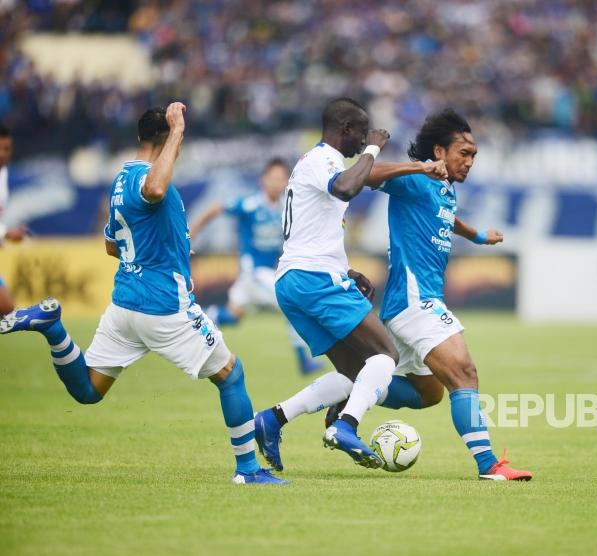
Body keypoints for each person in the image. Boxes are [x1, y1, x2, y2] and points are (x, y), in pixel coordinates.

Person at [0, 104, 284, 485]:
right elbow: (155, 188)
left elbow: (110, 246)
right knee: (232, 376)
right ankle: (248, 470)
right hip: (164, 306)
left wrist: (171, 247)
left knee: (88, 391)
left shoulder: (120, 179)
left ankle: (52, 328)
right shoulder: (149, 179)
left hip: (125, 305)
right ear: (169, 141)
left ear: (138, 137)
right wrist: (178, 130)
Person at [280, 109, 532, 480]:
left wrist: (478, 236)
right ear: (439, 151)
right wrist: (418, 167)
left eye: (474, 155)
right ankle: (490, 465)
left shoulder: (444, 189)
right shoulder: (417, 178)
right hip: (416, 301)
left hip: (410, 305)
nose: (470, 161)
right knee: (464, 372)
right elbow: (369, 177)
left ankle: (349, 398)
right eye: (464, 153)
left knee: (428, 393)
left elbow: (448, 217)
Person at [253, 97, 448, 470]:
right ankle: (346, 425)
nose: (363, 141)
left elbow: (324, 219)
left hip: (297, 279)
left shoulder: (315, 163)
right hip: (313, 280)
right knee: (386, 356)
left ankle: (272, 419)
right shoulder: (324, 159)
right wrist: (375, 146)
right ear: (345, 129)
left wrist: (347, 272)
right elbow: (346, 188)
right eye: (360, 133)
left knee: (354, 373)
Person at [189, 158, 322, 375]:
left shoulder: (285, 208)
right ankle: (303, 361)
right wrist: (192, 233)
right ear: (263, 180)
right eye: (273, 177)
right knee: (292, 301)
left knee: (231, 316)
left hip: (256, 277)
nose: (276, 183)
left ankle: (194, 320)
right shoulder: (250, 204)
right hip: (253, 273)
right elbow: (216, 208)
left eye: (281, 179)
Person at [0, 123, 29, 315]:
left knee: (6, 307)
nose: (3, 154)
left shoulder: (3, 173)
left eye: (7, 149)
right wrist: (6, 233)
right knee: (6, 306)